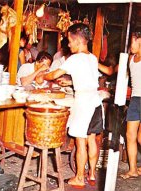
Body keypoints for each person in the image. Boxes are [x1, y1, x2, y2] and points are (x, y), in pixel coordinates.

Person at [43, 23, 104, 188]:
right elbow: (87, 78)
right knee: (92, 139)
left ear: (77, 41)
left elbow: (54, 74)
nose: (68, 44)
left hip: (84, 103)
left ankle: (78, 177)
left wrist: (43, 74)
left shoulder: (75, 58)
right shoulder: (92, 57)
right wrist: (70, 81)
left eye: (69, 40)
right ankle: (91, 174)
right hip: (96, 101)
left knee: (80, 141)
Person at [120, 31, 141, 179]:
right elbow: (117, 71)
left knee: (140, 138)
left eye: (132, 42)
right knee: (130, 135)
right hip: (135, 99)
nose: (130, 45)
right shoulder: (131, 58)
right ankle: (133, 169)